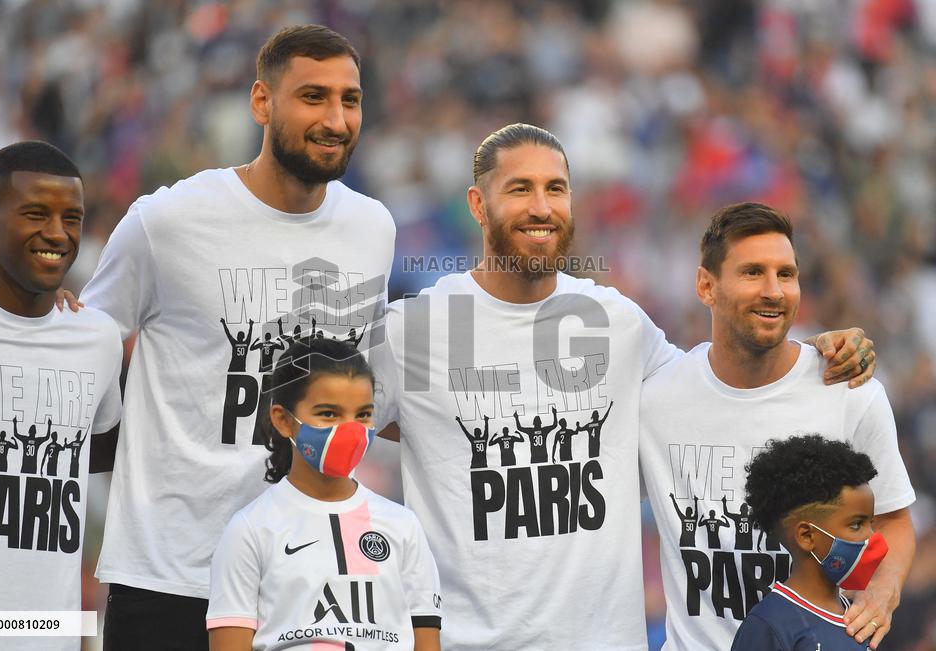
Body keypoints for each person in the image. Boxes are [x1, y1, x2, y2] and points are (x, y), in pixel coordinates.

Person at [370, 124, 875, 649]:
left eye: (556, 189)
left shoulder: (616, 321)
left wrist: (813, 349)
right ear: (478, 204)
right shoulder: (416, 328)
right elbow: (330, 424)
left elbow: (718, 384)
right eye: (520, 189)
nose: (541, 207)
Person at [79, 25, 395, 650]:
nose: (336, 118)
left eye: (350, 100)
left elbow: (370, 391)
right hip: (170, 579)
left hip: (305, 582)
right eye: (313, 97)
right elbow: (82, 350)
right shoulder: (166, 222)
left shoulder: (372, 228)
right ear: (261, 102)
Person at [638, 203, 915, 651]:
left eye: (786, 274)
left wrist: (883, 594)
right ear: (705, 286)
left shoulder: (849, 392)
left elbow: (896, 518)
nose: (774, 291)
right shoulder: (655, 401)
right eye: (752, 273)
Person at [0, 141, 122, 651]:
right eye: (36, 214)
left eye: (72, 218)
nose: (57, 234)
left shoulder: (96, 339)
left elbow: (91, 460)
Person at [206, 337, 441, 651]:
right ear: (283, 420)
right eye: (329, 414)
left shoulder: (404, 526)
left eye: (363, 415)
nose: (350, 429)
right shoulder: (250, 530)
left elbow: (426, 642)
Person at [731, 435, 887, 650]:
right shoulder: (770, 625)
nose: (871, 537)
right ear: (806, 536)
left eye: (871, 523)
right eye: (856, 524)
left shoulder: (862, 619)